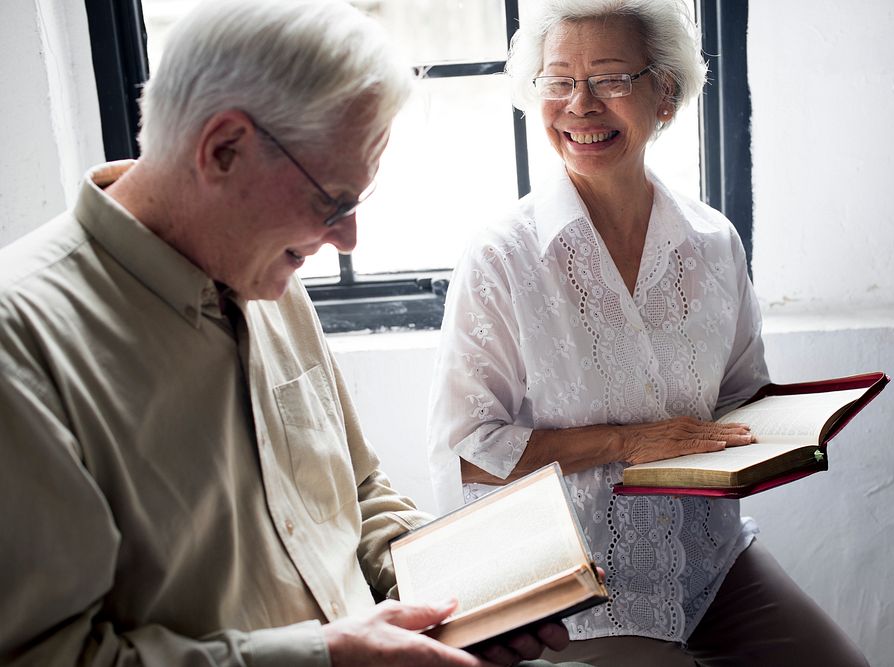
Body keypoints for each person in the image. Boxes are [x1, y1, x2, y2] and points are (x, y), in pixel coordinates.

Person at [0, 1, 580, 665]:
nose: (347, 238)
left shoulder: (260, 266)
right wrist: (324, 655)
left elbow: (356, 492)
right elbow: (45, 655)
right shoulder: (19, 343)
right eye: (334, 202)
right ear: (224, 149)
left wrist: (460, 593)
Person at [427, 1, 870, 665]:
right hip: (573, 580)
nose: (580, 106)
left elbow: (743, 395)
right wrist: (631, 442)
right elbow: (466, 448)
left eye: (610, 79)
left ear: (664, 94)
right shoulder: (502, 256)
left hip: (709, 560)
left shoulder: (714, 242)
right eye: (558, 81)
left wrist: (787, 431)